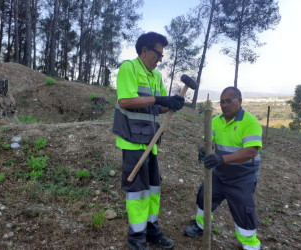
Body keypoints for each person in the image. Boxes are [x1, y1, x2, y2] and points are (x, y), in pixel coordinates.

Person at [112, 32, 185, 250]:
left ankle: (152, 231)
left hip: (151, 142)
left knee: (153, 189)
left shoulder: (156, 76)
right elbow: (125, 101)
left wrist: (171, 103)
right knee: (137, 193)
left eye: (162, 55)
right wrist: (158, 99)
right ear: (145, 50)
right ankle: (136, 238)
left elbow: (158, 106)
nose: (160, 59)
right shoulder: (129, 68)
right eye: (158, 53)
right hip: (133, 141)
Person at [184, 87, 263, 250]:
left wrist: (222, 159)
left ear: (239, 101)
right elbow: (204, 139)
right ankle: (201, 226)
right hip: (219, 174)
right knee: (204, 196)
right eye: (222, 102)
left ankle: (250, 245)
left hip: (242, 177)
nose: (224, 105)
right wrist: (202, 148)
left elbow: (251, 151)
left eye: (229, 101)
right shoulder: (216, 120)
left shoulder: (250, 122)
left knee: (244, 211)